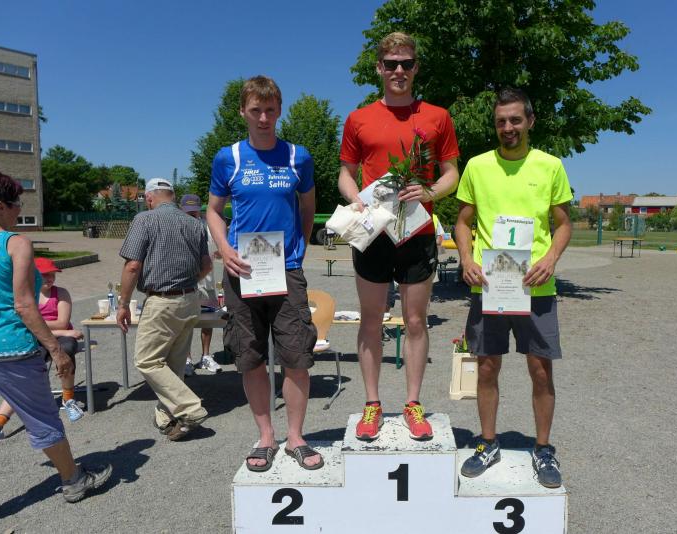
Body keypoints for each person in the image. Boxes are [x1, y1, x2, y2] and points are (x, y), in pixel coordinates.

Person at [337, 32, 460, 441]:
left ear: (416, 67)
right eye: (391, 64)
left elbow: (452, 174)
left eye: (406, 63)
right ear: (379, 68)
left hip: (417, 231)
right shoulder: (358, 118)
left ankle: (412, 403)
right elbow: (345, 174)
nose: (399, 70)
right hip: (374, 232)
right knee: (371, 319)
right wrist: (355, 199)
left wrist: (429, 193)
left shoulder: (437, 116)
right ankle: (372, 404)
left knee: (415, 321)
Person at [454, 88, 573, 488]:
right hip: (490, 285)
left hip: (535, 285)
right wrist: (466, 259)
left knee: (540, 370)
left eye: (515, 120)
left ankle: (543, 448)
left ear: (530, 121)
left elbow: (564, 224)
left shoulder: (550, 166)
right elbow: (463, 221)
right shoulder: (477, 166)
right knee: (487, 367)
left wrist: (550, 259)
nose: (508, 127)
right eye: (501, 121)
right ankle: (488, 442)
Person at [206, 76, 322, 471]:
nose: (263, 118)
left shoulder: (298, 157)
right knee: (250, 356)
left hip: (285, 270)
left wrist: (298, 250)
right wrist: (224, 248)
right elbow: (213, 211)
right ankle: (266, 436)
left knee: (296, 356)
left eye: (270, 110)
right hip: (243, 270)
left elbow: (307, 208)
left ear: (279, 111)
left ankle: (296, 437)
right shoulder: (228, 158)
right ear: (243, 111)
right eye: (256, 110)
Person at [0, 169, 111, 501]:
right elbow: (24, 304)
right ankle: (74, 480)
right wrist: (56, 350)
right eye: (16, 204)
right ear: (0, 206)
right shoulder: (15, 243)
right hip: (12, 348)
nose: (19, 211)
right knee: (43, 419)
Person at [116, 178, 212, 441]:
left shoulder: (144, 220)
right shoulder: (194, 223)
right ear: (172, 196)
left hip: (162, 300)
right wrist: (188, 282)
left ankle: (190, 409)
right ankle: (166, 417)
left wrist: (123, 304)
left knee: (147, 360)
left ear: (149, 198)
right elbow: (207, 265)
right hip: (190, 299)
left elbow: (132, 266)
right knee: (174, 363)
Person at [0, 257, 85, 438]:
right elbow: (25, 321)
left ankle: (68, 399)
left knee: (66, 350)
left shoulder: (61, 293)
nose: (49, 278)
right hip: (38, 337)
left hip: (55, 337)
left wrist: (37, 323)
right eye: (45, 275)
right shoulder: (25, 295)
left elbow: (62, 321)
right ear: (33, 276)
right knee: (25, 372)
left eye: (52, 274)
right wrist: (61, 331)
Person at [179, 193, 223, 375]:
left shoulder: (209, 229)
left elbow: (220, 250)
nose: (192, 214)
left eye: (194, 211)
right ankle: (187, 359)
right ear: (181, 210)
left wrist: (221, 252)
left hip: (207, 284)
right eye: (188, 211)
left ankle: (206, 356)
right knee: (186, 323)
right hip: (185, 285)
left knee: (208, 321)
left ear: (200, 210)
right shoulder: (177, 228)